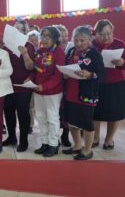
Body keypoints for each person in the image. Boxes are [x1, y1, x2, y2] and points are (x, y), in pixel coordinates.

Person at [20, 26, 65, 157]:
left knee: (52, 118)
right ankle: (45, 143)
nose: (44, 39)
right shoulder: (39, 51)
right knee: (40, 117)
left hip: (53, 92)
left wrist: (44, 87)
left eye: (48, 36)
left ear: (55, 38)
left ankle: (53, 144)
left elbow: (58, 76)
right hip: (38, 91)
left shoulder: (59, 52)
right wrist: (29, 80)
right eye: (43, 36)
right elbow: (34, 69)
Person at [62, 26, 105, 160]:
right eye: (76, 40)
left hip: (86, 94)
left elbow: (102, 75)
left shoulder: (94, 54)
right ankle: (77, 146)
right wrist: (65, 74)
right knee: (71, 122)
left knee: (86, 123)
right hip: (70, 92)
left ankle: (87, 150)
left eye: (82, 40)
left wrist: (90, 74)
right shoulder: (70, 51)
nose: (79, 43)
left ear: (90, 39)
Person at [92, 19, 125, 150]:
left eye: (109, 33)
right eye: (102, 34)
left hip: (115, 83)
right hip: (96, 82)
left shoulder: (119, 44)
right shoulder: (91, 44)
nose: (106, 37)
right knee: (95, 112)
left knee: (114, 113)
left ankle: (109, 139)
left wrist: (122, 63)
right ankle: (95, 138)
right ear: (96, 34)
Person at [3, 21, 35, 152]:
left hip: (23, 86)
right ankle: (11, 137)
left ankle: (23, 141)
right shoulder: (7, 46)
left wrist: (25, 54)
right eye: (15, 29)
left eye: (21, 29)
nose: (18, 31)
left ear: (25, 32)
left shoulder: (29, 45)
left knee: (23, 113)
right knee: (8, 112)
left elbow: (31, 67)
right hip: (8, 85)